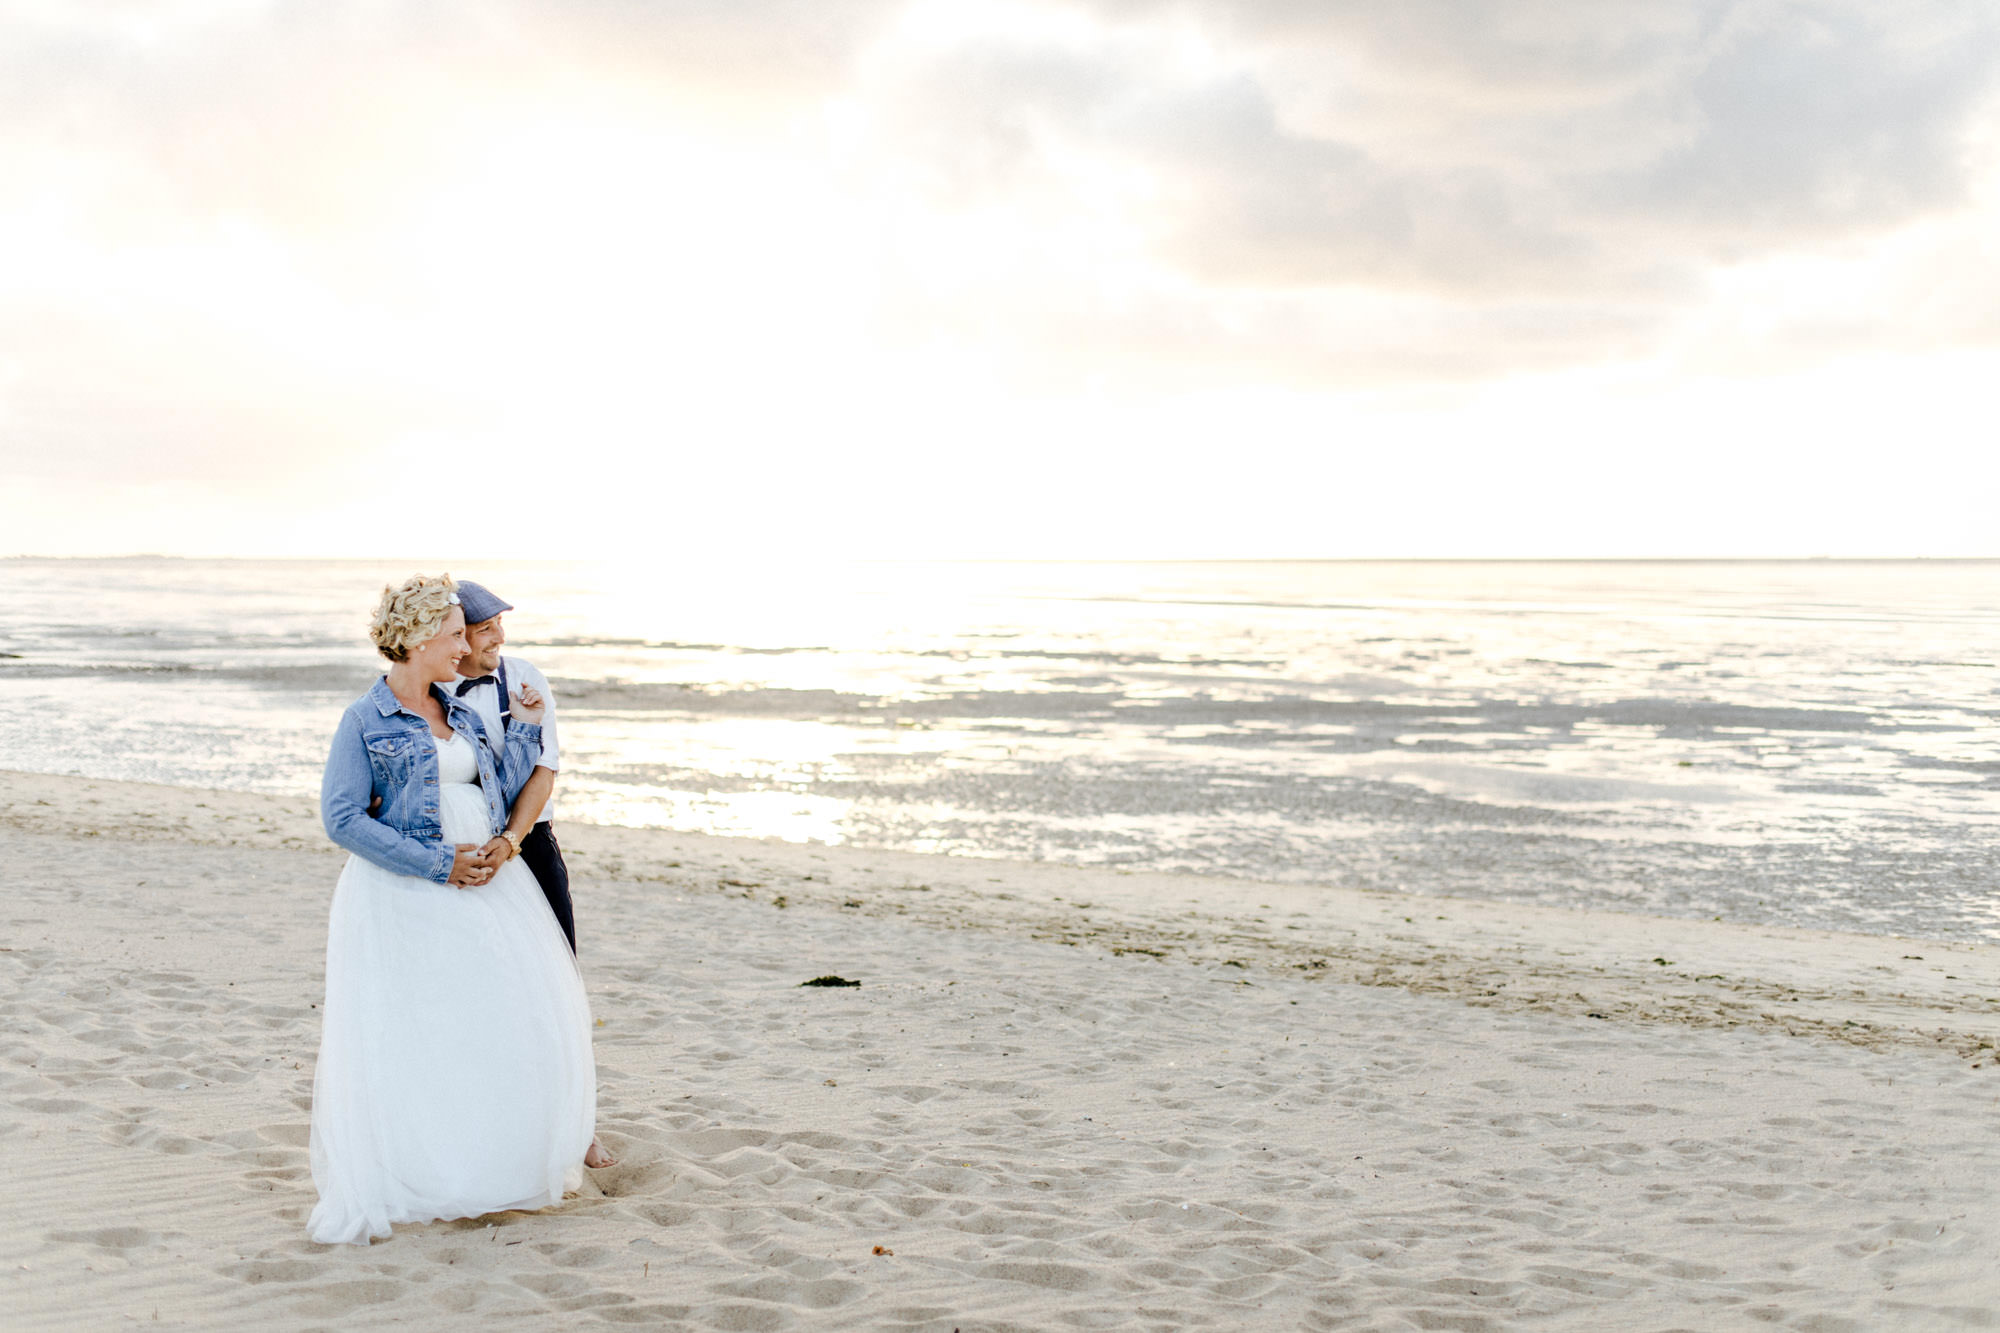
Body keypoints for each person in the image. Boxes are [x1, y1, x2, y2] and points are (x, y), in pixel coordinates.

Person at [307, 574, 597, 1246]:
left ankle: (488, 1159)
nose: (467, 648)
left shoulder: (461, 711)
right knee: (417, 1026)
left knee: (489, 1014)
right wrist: (439, 863)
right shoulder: (364, 720)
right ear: (413, 641)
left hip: (485, 886)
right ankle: (423, 1168)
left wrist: (524, 732)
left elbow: (493, 785)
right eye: (454, 635)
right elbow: (342, 817)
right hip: (405, 893)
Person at [446, 581, 575, 953]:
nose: (499, 637)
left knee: (556, 950)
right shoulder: (431, 689)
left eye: (499, 623)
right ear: (454, 635)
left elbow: (544, 769)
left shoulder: (524, 678)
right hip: (463, 841)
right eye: (485, 629)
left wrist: (509, 841)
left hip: (529, 836)